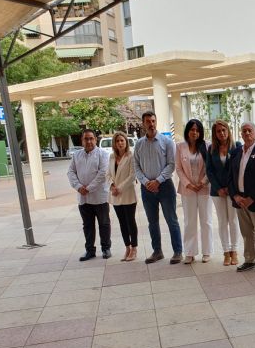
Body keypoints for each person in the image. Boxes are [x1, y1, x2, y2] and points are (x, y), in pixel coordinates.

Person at [133, 111, 183, 265]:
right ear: (143, 123)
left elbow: (172, 164)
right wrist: (146, 181)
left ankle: (177, 251)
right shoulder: (139, 144)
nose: (151, 124)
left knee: (171, 220)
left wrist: (158, 181)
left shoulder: (167, 142)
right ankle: (157, 251)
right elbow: (136, 166)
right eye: (148, 121)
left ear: (156, 122)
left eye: (153, 121)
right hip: (146, 188)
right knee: (152, 222)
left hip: (165, 186)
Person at [228, 121, 255, 274]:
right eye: (244, 131)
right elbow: (230, 176)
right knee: (246, 232)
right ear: (241, 133)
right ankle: (249, 260)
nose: (247, 133)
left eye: (249, 131)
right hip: (239, 200)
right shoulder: (235, 152)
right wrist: (235, 196)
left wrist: (251, 198)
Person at [67, 129, 111, 261]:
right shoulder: (76, 155)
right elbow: (70, 172)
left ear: (95, 139)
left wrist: (89, 188)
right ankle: (90, 250)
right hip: (83, 198)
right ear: (82, 140)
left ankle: (106, 248)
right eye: (86, 139)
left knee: (104, 223)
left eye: (91, 138)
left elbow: (103, 174)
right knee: (87, 225)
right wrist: (79, 187)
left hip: (100, 196)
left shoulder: (103, 154)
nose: (89, 141)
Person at [176, 119, 213, 264]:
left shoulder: (207, 145)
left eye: (197, 130)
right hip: (188, 190)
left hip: (204, 189)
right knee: (189, 222)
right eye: (192, 130)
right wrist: (189, 184)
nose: (195, 133)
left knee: (206, 221)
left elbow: (211, 167)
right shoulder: (180, 147)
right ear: (187, 131)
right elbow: (178, 168)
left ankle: (207, 251)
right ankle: (190, 252)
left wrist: (202, 182)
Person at [206, 119, 241, 266]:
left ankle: (235, 251)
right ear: (215, 134)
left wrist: (229, 187)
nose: (221, 133)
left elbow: (238, 169)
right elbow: (209, 170)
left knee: (233, 221)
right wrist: (219, 187)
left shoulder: (237, 146)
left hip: (232, 190)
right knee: (222, 221)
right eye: (218, 131)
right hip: (217, 191)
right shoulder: (211, 149)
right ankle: (226, 252)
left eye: (223, 130)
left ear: (228, 130)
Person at [107, 131, 138, 261]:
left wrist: (119, 188)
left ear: (126, 142)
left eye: (122, 140)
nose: (120, 143)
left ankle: (134, 248)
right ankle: (127, 247)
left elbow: (132, 175)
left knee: (130, 222)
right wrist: (112, 186)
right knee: (122, 223)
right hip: (115, 195)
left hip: (128, 194)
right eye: (117, 141)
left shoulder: (131, 156)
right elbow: (107, 174)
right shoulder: (111, 157)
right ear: (114, 143)